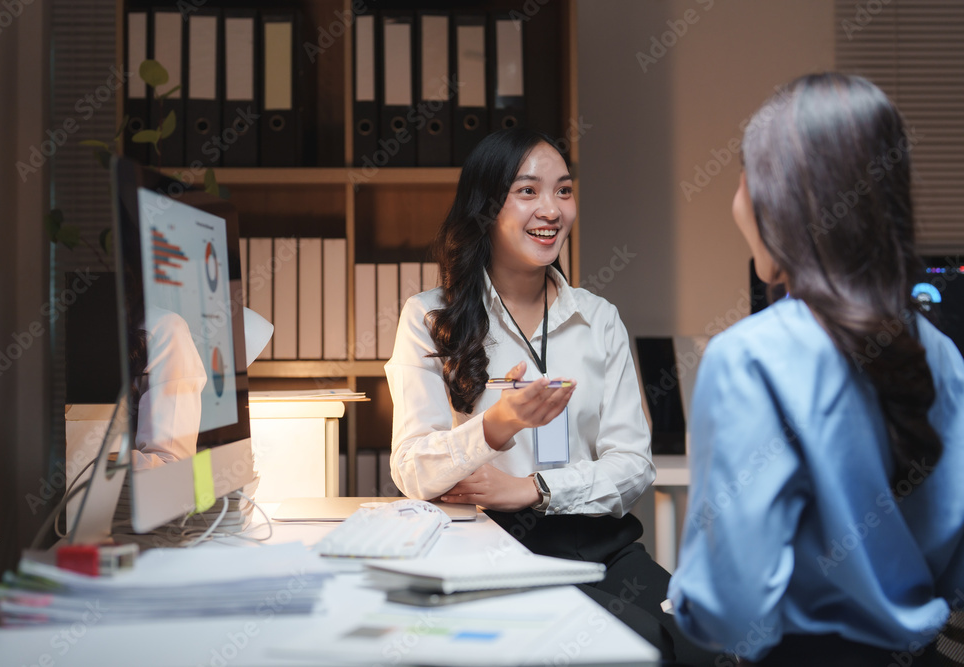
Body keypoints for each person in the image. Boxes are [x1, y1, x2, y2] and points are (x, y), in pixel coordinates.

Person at [385, 127, 720, 664]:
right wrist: (495, 427)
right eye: (527, 191)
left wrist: (531, 488)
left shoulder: (598, 318)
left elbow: (633, 464)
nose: (552, 209)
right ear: (486, 207)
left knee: (700, 644)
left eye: (564, 191)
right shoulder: (429, 317)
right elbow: (411, 468)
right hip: (490, 550)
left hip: (595, 543)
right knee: (624, 649)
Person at [668, 73, 964, 666]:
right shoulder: (943, 355)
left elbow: (731, 609)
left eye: (744, 176)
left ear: (779, 200)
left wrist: (686, 600)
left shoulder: (746, 358)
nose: (735, 201)